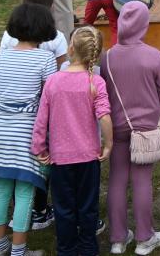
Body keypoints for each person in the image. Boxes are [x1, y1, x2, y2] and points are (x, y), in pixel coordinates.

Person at [30, 26, 113, 256]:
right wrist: (108, 144)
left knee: (63, 207)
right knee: (88, 207)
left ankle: (66, 249)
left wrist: (39, 147)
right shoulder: (96, 82)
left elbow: (41, 119)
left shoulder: (54, 82)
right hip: (88, 159)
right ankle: (88, 248)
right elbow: (104, 116)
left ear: (70, 48)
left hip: (61, 160)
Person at [0, 3, 58, 256]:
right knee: (26, 189)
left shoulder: (3, 55)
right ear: (44, 28)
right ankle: (18, 251)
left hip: (0, 127)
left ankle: (0, 247)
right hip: (28, 131)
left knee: (2, 188)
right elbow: (51, 98)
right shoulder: (46, 58)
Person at [101, 1, 160, 255]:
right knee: (143, 181)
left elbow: (103, 92)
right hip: (146, 128)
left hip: (116, 127)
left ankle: (118, 238)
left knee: (117, 180)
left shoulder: (106, 57)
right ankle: (144, 237)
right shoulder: (154, 56)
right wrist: (155, 112)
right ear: (144, 24)